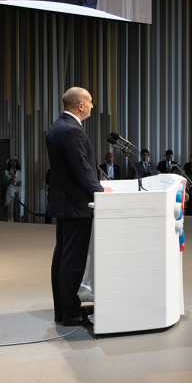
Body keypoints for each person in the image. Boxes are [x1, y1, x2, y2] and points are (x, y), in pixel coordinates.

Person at [46, 87, 109, 327]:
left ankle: (63, 310)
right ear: (80, 105)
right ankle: (71, 313)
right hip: (76, 205)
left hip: (66, 204)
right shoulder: (72, 130)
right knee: (72, 260)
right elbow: (82, 169)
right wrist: (101, 193)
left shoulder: (59, 126)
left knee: (62, 256)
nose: (93, 105)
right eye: (90, 102)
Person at [3, 157, 24, 222]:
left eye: (15, 161)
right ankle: (10, 222)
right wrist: (11, 181)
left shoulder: (20, 172)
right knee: (10, 209)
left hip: (19, 191)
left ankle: (18, 221)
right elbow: (4, 183)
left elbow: (23, 182)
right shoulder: (7, 172)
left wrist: (18, 182)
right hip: (10, 192)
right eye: (11, 161)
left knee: (19, 209)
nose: (13, 163)